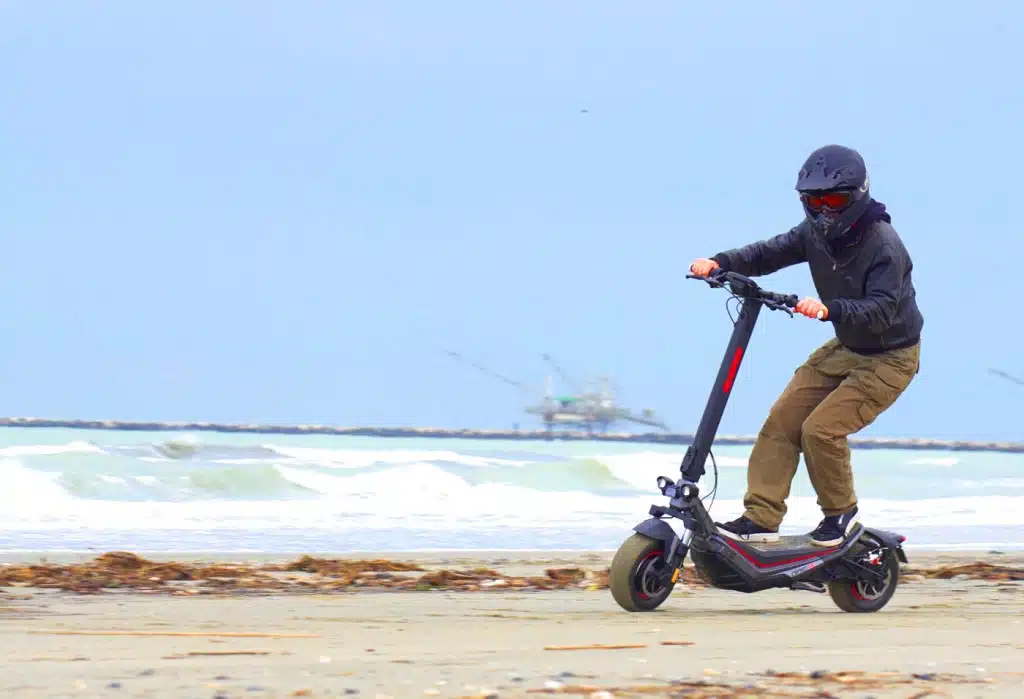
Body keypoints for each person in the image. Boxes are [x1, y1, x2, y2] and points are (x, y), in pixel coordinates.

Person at [689, 144, 923, 547]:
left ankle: (841, 515)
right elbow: (770, 252)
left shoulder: (884, 244)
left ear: (857, 195)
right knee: (782, 422)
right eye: (814, 202)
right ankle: (761, 518)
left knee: (820, 431)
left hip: (891, 357)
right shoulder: (813, 233)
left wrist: (831, 309)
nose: (824, 211)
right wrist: (721, 261)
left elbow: (882, 310)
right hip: (847, 346)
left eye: (834, 201)